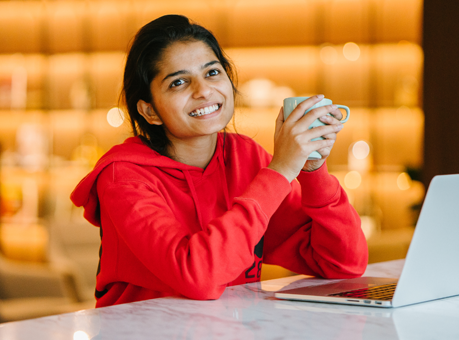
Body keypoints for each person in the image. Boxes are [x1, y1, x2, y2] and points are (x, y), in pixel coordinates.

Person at [71, 14, 368, 307]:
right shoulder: (123, 178)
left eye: (212, 73)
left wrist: (311, 170)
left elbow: (343, 264)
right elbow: (198, 277)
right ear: (149, 112)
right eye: (178, 83)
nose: (203, 91)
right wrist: (280, 171)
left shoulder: (246, 157)